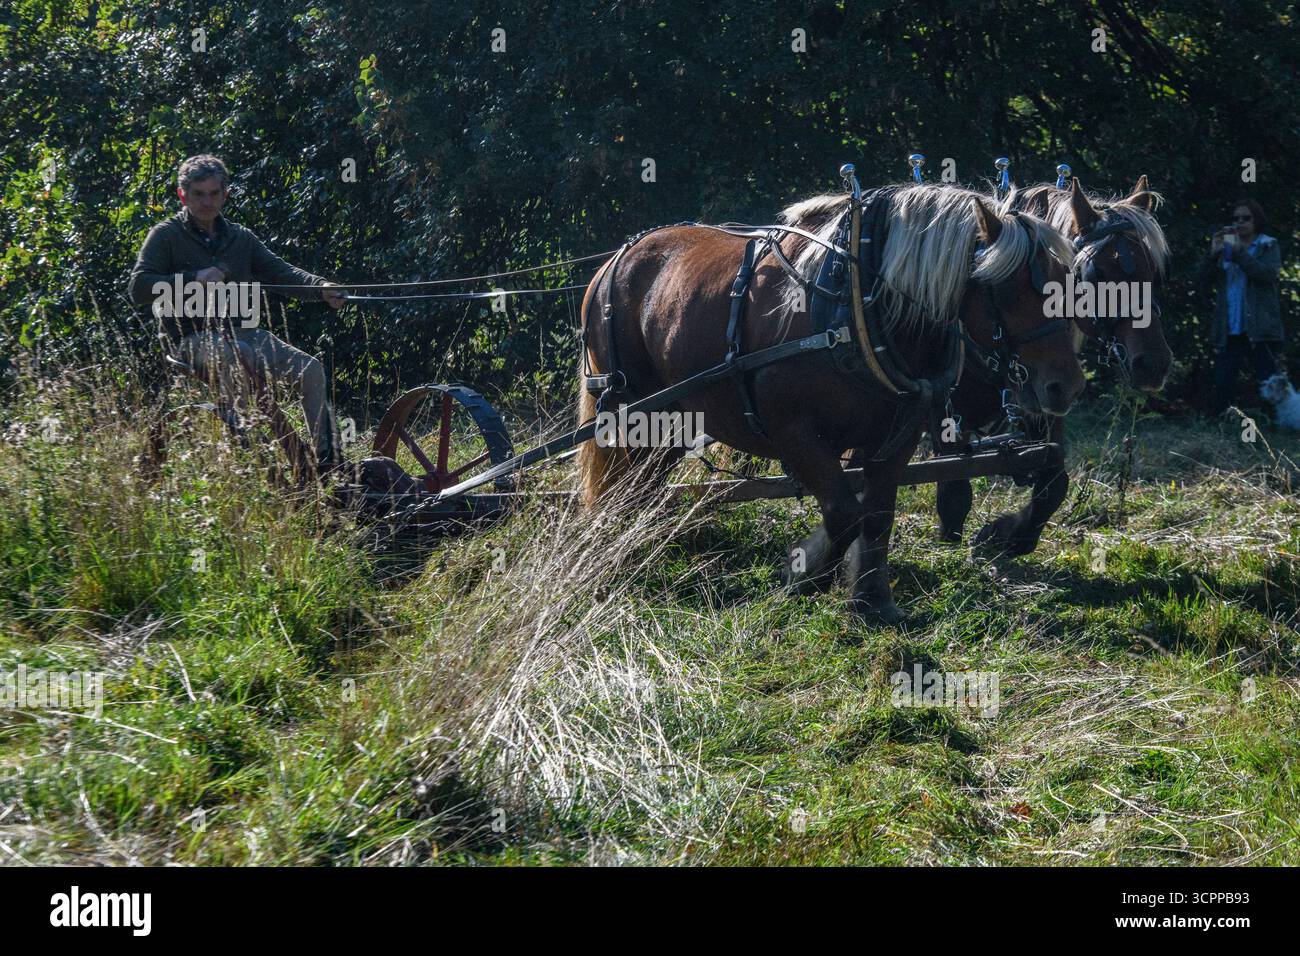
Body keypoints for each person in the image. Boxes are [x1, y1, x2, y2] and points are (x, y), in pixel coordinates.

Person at [128, 154, 348, 475]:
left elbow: (282, 273)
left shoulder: (240, 238)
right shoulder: (166, 236)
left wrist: (322, 288)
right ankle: (254, 450)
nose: (206, 201)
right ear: (182, 195)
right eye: (198, 194)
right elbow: (138, 287)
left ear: (225, 194)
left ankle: (327, 463)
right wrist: (193, 278)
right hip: (191, 340)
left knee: (311, 369)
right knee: (239, 355)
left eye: (214, 193)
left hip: (245, 333)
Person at [1196, 198, 1285, 413]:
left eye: (1246, 218)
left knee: (1269, 381)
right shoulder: (1227, 248)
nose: (1240, 222)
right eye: (1235, 219)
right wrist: (1213, 254)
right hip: (1231, 326)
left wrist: (1239, 252)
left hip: (1261, 328)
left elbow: (1266, 275)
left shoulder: (1268, 244)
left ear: (1257, 220)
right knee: (1223, 381)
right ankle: (1220, 425)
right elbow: (1202, 280)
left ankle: (1276, 428)